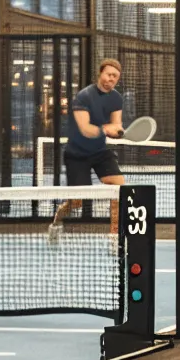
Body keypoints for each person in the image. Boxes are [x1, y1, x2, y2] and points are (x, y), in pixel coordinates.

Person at [49, 59, 126, 244]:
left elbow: (116, 124)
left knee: (119, 187)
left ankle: (114, 235)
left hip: (99, 152)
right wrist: (107, 129)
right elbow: (85, 129)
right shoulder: (83, 97)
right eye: (109, 74)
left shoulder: (116, 98)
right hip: (77, 154)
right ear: (100, 74)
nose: (111, 79)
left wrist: (117, 131)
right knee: (77, 202)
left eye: (115, 77)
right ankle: (57, 220)